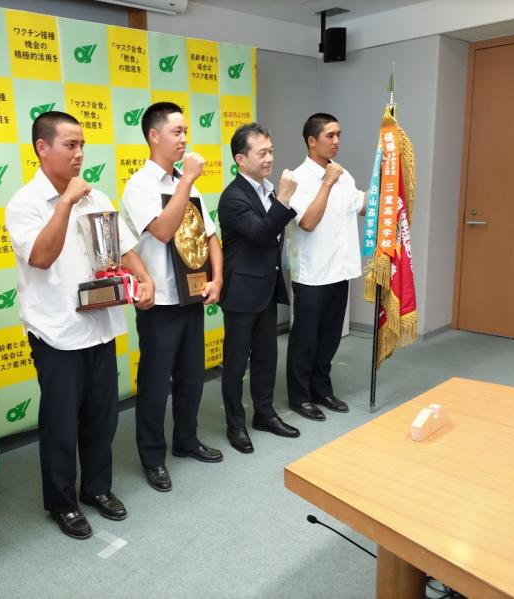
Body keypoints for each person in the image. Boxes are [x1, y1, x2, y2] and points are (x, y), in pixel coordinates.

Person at [5, 111, 155, 540]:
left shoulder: (97, 196)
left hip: (100, 325)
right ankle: (62, 502)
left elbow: (123, 248)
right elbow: (41, 256)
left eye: (82, 145)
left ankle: (97, 488)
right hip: (56, 332)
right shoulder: (25, 203)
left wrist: (144, 277)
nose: (79, 154)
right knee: (61, 424)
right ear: (42, 148)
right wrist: (66, 202)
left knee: (102, 417)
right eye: (70, 145)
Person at [120, 102, 223, 492]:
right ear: (154, 136)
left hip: (192, 295)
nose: (183, 139)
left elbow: (210, 235)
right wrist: (187, 181)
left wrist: (218, 280)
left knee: (192, 376)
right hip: (160, 301)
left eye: (185, 132)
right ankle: (152, 456)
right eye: (176, 132)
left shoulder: (185, 181)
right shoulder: (140, 185)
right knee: (154, 381)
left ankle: (186, 439)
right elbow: (163, 231)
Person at [218, 123, 301, 454]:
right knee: (236, 363)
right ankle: (235, 424)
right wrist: (285, 197)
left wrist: (279, 197)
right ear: (241, 159)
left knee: (267, 356)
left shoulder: (266, 190)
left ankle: (264, 414)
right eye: (262, 152)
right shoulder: (233, 197)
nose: (270, 158)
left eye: (271, 151)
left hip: (266, 287)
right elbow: (263, 233)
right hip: (241, 291)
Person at [286, 113, 367, 421]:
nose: (336, 142)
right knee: (305, 339)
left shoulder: (343, 175)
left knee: (331, 337)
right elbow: (307, 221)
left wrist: (386, 182)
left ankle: (321, 388)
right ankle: (299, 396)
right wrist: (328, 182)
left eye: (339, 135)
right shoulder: (298, 179)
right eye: (330, 136)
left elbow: (362, 206)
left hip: (340, 270)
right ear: (312, 141)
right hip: (312, 274)